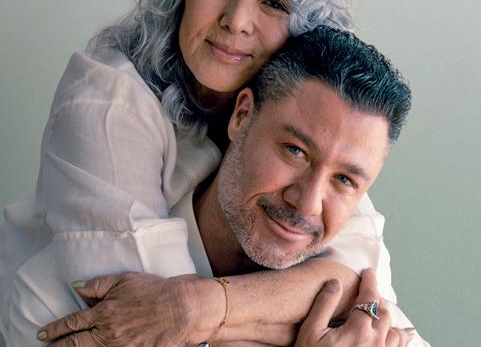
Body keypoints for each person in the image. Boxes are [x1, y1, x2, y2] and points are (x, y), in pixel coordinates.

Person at [0, 0, 414, 345]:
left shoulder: (317, 126)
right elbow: (152, 317)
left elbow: (359, 279)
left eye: (274, 2)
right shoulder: (109, 101)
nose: (237, 21)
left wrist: (204, 307)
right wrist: (198, 310)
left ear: (308, 29)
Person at [36, 27, 427, 346]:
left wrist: (199, 313)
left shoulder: (369, 329)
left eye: (344, 180)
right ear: (241, 116)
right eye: (294, 151)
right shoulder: (79, 307)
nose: (307, 203)